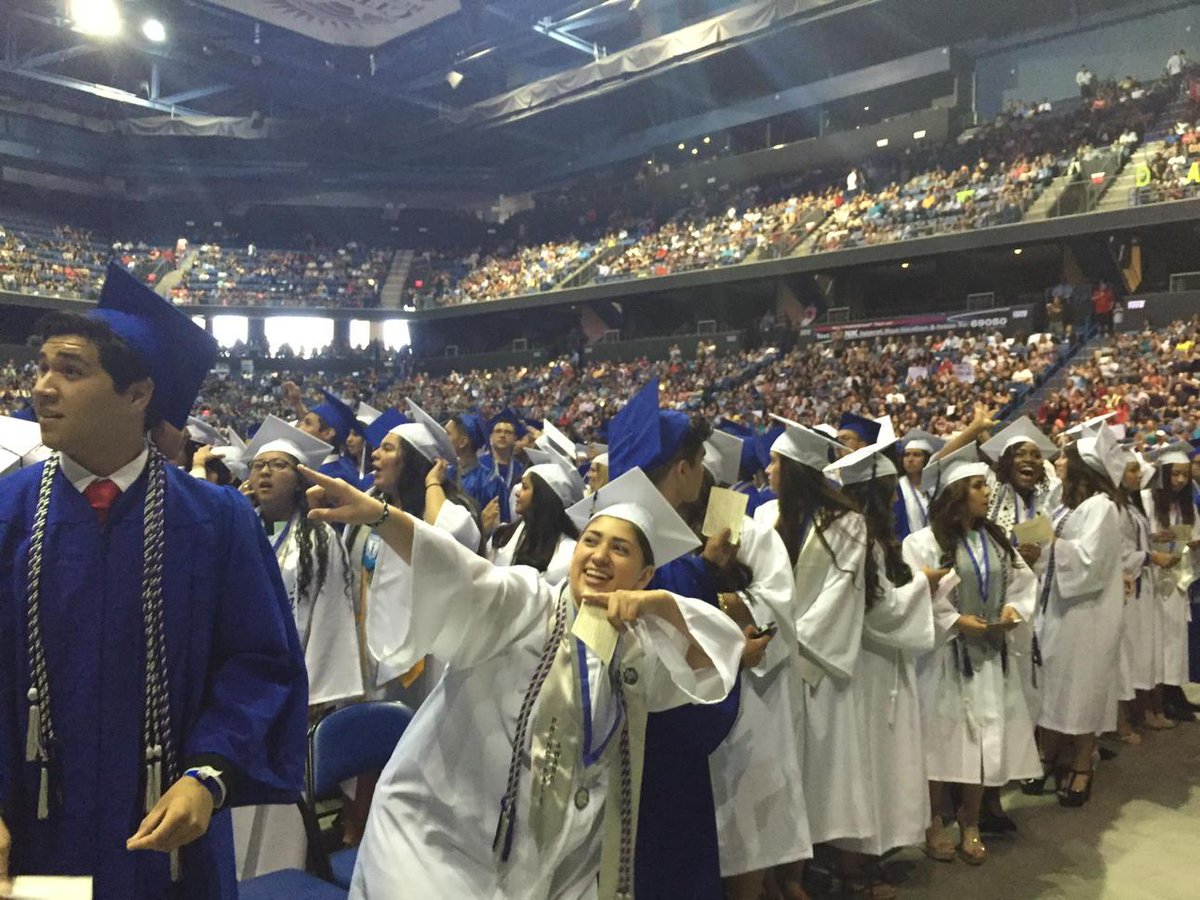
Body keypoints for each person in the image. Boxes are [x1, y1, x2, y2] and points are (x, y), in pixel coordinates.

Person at [0, 263, 307, 897]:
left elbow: (259, 664)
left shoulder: (218, 521)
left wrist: (208, 775)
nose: (42, 388)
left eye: (71, 370)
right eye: (43, 368)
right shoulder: (6, 510)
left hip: (167, 831)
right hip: (29, 823)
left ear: (139, 394)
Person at [301, 464, 745, 899]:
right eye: (591, 540)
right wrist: (382, 516)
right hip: (439, 837)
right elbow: (463, 575)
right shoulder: (530, 603)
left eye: (621, 549)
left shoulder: (635, 650)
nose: (599, 556)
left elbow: (715, 656)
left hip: (550, 861)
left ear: (645, 575)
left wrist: (663, 605)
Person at [233, 416, 363, 878]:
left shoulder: (317, 538)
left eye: (279, 465)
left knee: (280, 813)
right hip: (237, 692)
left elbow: (330, 617)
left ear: (300, 478)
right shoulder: (236, 529)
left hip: (291, 697)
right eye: (259, 464)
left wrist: (313, 694)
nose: (265, 472)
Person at [903, 443, 1040, 866]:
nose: (987, 493)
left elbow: (1022, 582)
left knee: (984, 741)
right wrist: (955, 620)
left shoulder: (995, 539)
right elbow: (915, 593)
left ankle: (972, 820)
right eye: (979, 485)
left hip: (989, 655)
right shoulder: (922, 543)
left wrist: (1013, 609)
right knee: (940, 741)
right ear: (958, 492)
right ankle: (933, 821)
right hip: (946, 657)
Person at [755, 415, 871, 892]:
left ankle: (799, 873)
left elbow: (842, 593)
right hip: (768, 663)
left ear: (798, 468)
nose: (767, 470)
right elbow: (755, 583)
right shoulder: (763, 517)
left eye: (776, 462)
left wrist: (793, 643)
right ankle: (770, 874)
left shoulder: (846, 523)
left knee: (816, 774)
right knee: (776, 774)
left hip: (813, 667)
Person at [829, 442, 940, 899]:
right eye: (891, 494)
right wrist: (923, 583)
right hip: (870, 667)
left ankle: (867, 855)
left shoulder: (852, 534)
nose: (897, 502)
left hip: (879, 664)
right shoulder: (859, 540)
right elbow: (880, 613)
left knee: (879, 763)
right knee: (870, 763)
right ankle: (857, 862)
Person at [1034, 426, 1127, 808]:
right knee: (1055, 685)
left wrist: (1050, 544)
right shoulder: (1067, 506)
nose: (1057, 462)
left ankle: (1082, 764)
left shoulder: (1102, 507)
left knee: (1082, 689)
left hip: (1086, 615)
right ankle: (1049, 755)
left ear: (1081, 467)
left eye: (1064, 458)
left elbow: (1090, 564)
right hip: (1058, 609)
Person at [1144, 442, 1200, 721]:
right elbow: (1133, 538)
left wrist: (1193, 543)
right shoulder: (1146, 500)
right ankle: (1159, 700)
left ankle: (1174, 692)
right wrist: (1155, 541)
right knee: (1158, 640)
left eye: (1185, 475)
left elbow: (1194, 533)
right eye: (1175, 474)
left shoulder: (1186, 503)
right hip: (1152, 579)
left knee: (1176, 639)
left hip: (1177, 578)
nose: (1180, 480)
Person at [487, 455, 583, 585]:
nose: (517, 492)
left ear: (542, 497)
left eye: (525, 487)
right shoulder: (503, 535)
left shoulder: (568, 552)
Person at [479, 408, 528, 523]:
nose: (502, 435)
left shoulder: (521, 470)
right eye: (498, 431)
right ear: (491, 436)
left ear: (515, 438)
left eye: (508, 432)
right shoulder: (480, 465)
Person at [895, 429, 943, 540]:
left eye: (916, 455)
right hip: (910, 547)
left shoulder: (935, 486)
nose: (910, 459)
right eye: (906, 455)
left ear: (925, 459)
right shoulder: (899, 487)